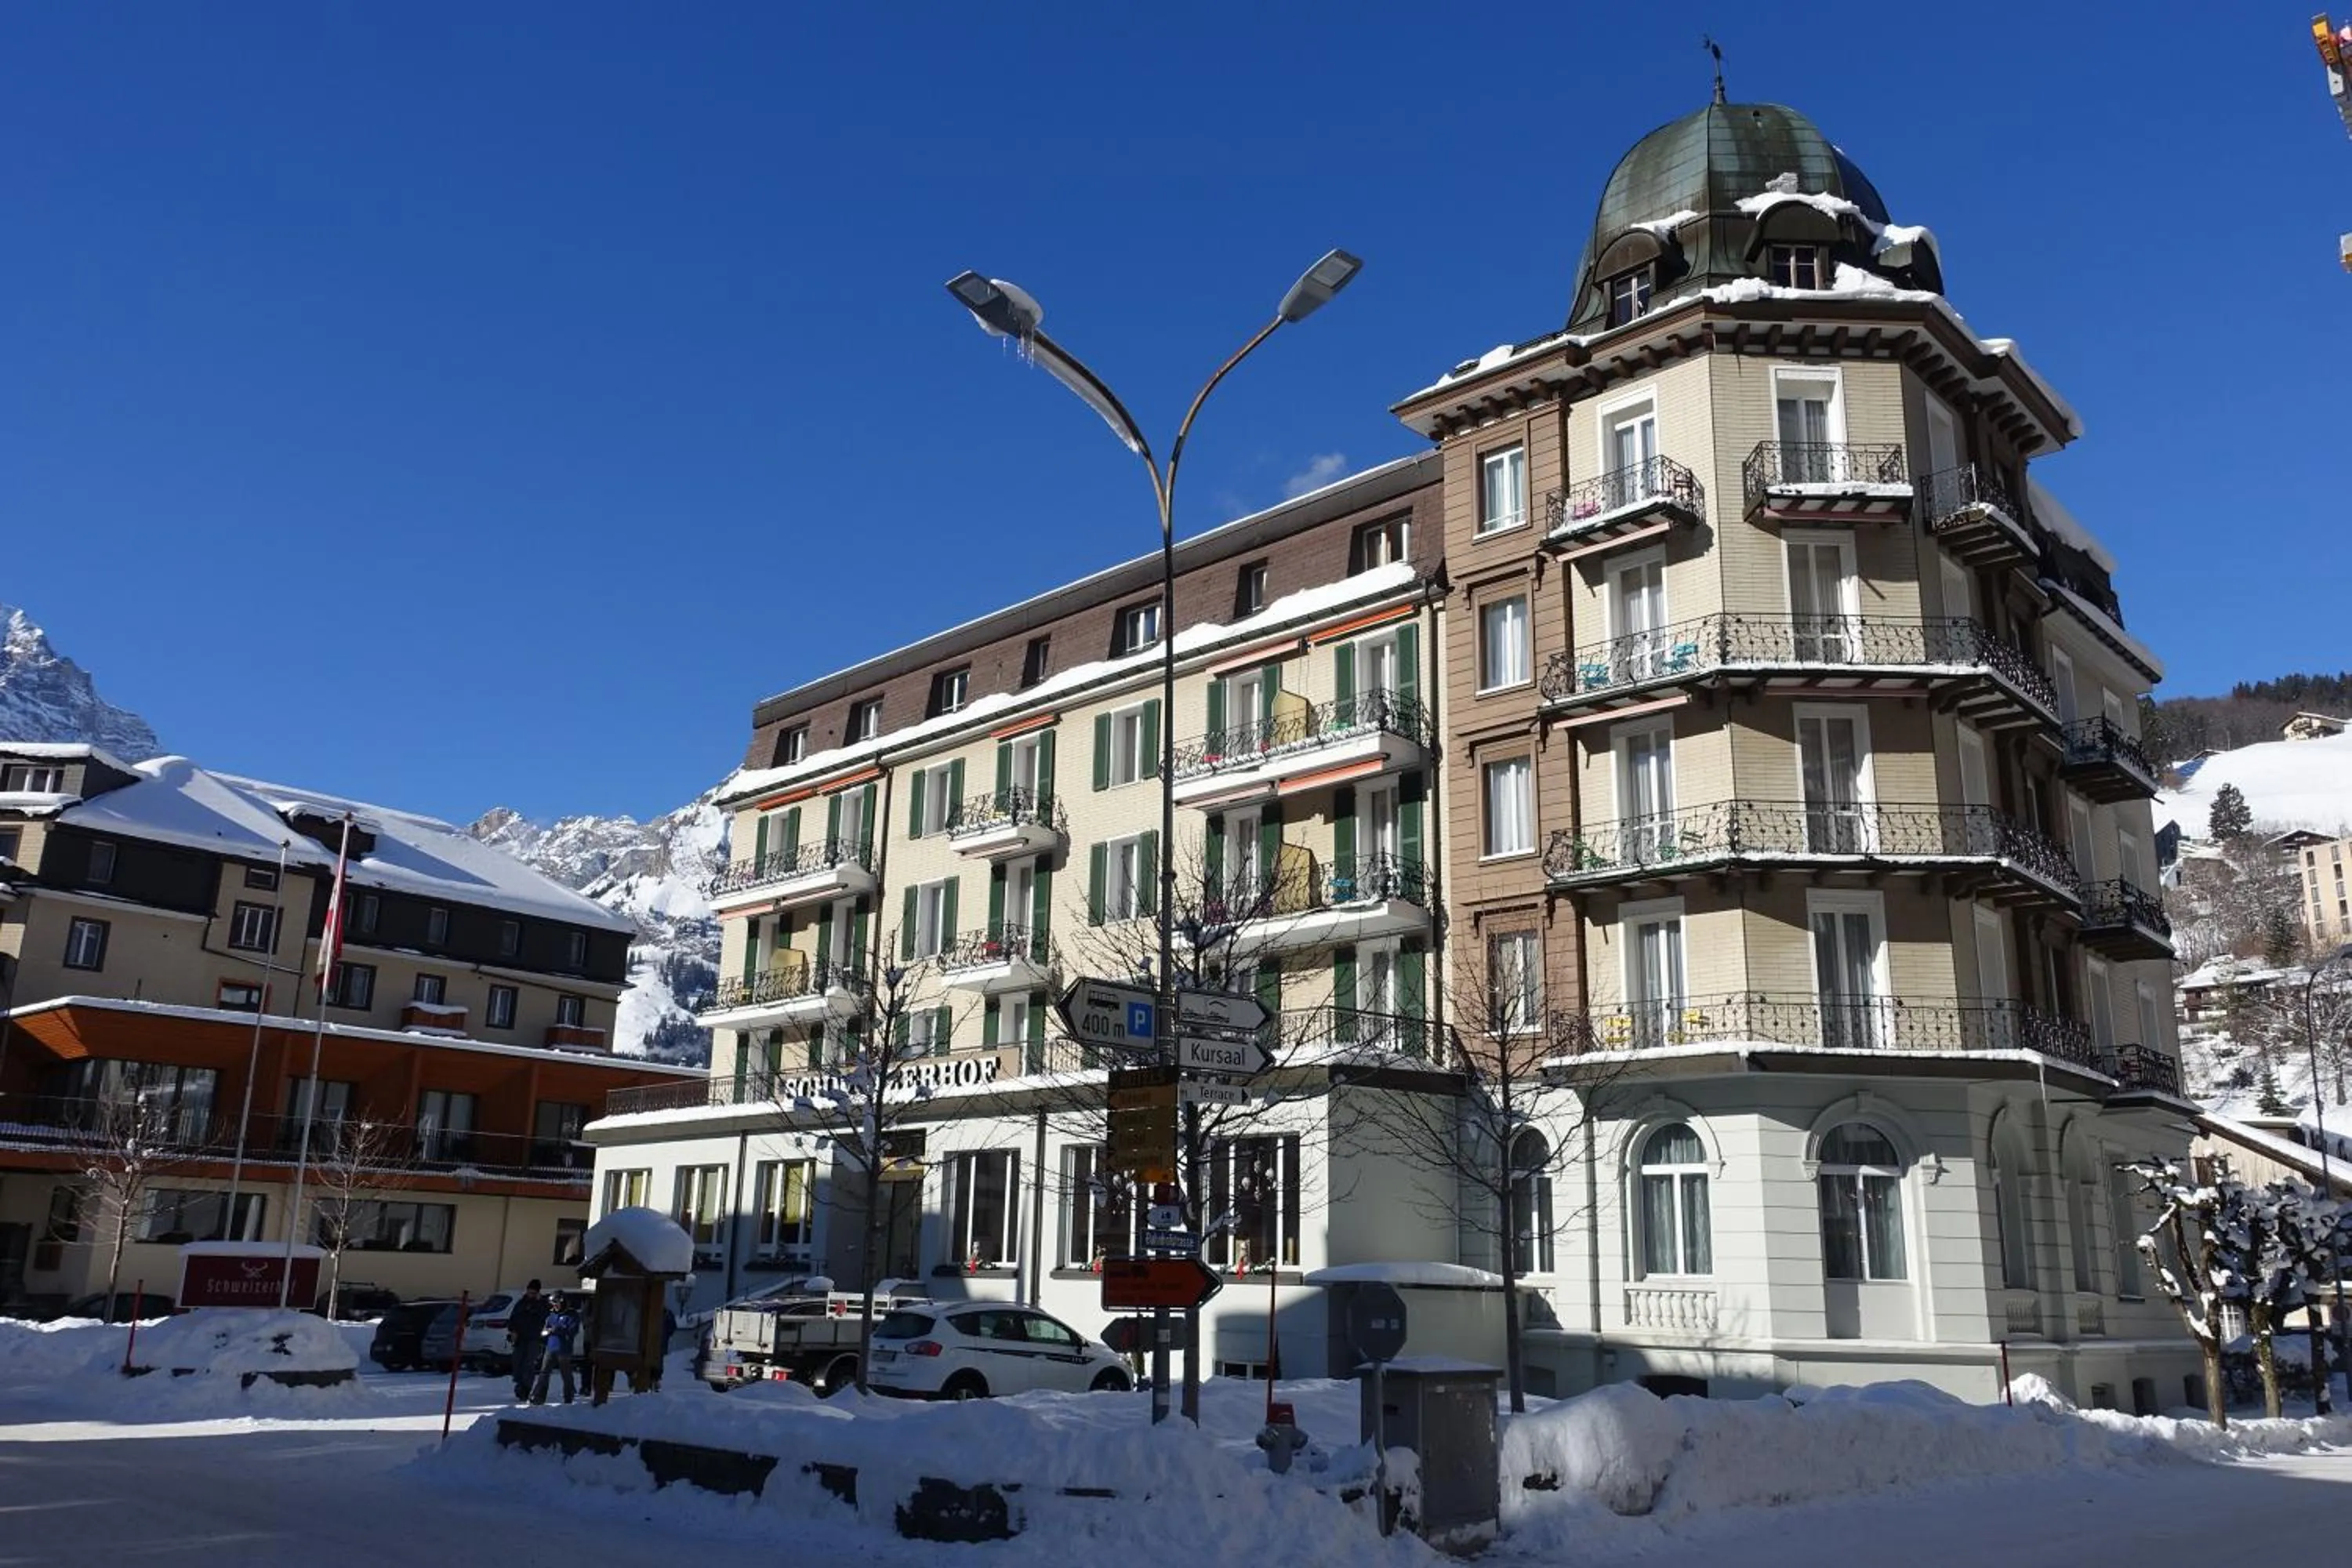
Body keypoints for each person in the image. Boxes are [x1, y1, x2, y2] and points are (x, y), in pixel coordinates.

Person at [531, 1292, 582, 1406]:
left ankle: (568, 1397)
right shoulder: (552, 1315)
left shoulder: (572, 1315)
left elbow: (572, 1331)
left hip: (564, 1349)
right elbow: (546, 1329)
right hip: (551, 1347)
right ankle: (538, 1397)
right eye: (552, 1304)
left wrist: (556, 1330)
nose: (554, 1306)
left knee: (566, 1374)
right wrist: (544, 1335)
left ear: (562, 1303)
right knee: (544, 1372)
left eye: (556, 1303)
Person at [507, 1280, 550, 1402]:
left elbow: (546, 1318)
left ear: (537, 1292)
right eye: (529, 1291)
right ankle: (520, 1385)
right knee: (517, 1363)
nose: (530, 1294)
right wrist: (512, 1331)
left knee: (529, 1364)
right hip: (520, 1338)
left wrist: (538, 1305)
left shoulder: (542, 1304)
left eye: (533, 1292)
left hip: (535, 1339)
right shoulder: (521, 1303)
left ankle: (525, 1389)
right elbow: (513, 1318)